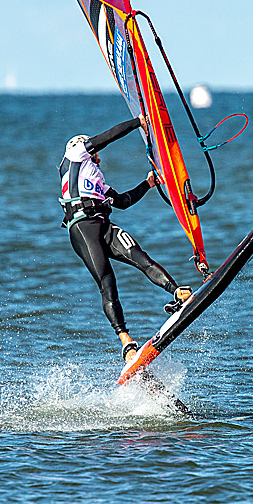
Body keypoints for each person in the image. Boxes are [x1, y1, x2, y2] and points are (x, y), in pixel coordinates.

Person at [59, 114, 192, 364]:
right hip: (83, 229)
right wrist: (138, 122)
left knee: (141, 257)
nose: (99, 157)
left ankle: (177, 292)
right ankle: (126, 341)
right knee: (107, 281)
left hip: (104, 225)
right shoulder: (75, 153)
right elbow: (108, 136)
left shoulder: (97, 181)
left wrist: (148, 184)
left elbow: (122, 201)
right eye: (95, 152)